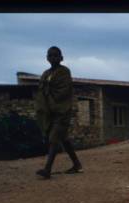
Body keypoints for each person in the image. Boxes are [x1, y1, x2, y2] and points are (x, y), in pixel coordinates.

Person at [35, 46, 83, 179]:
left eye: (56, 55)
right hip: (50, 112)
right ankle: (77, 164)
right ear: (47, 58)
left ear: (61, 57)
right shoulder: (45, 73)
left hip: (62, 110)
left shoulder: (64, 72)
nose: (53, 58)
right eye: (50, 55)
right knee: (64, 139)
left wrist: (49, 93)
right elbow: (41, 90)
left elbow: (64, 90)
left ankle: (47, 170)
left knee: (53, 138)